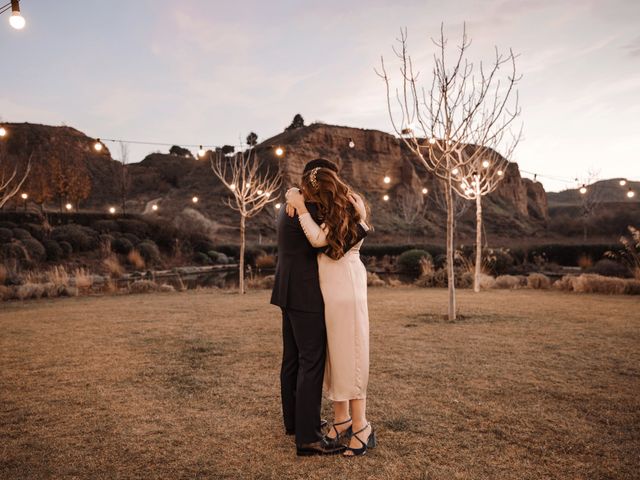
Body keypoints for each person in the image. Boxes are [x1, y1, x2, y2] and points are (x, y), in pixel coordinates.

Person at [270, 159, 369, 456]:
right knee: (310, 362)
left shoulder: (295, 202)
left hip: (286, 289)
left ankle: (295, 423)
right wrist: (362, 221)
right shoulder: (313, 208)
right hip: (306, 294)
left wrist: (293, 197)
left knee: (292, 359)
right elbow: (324, 241)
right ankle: (308, 436)